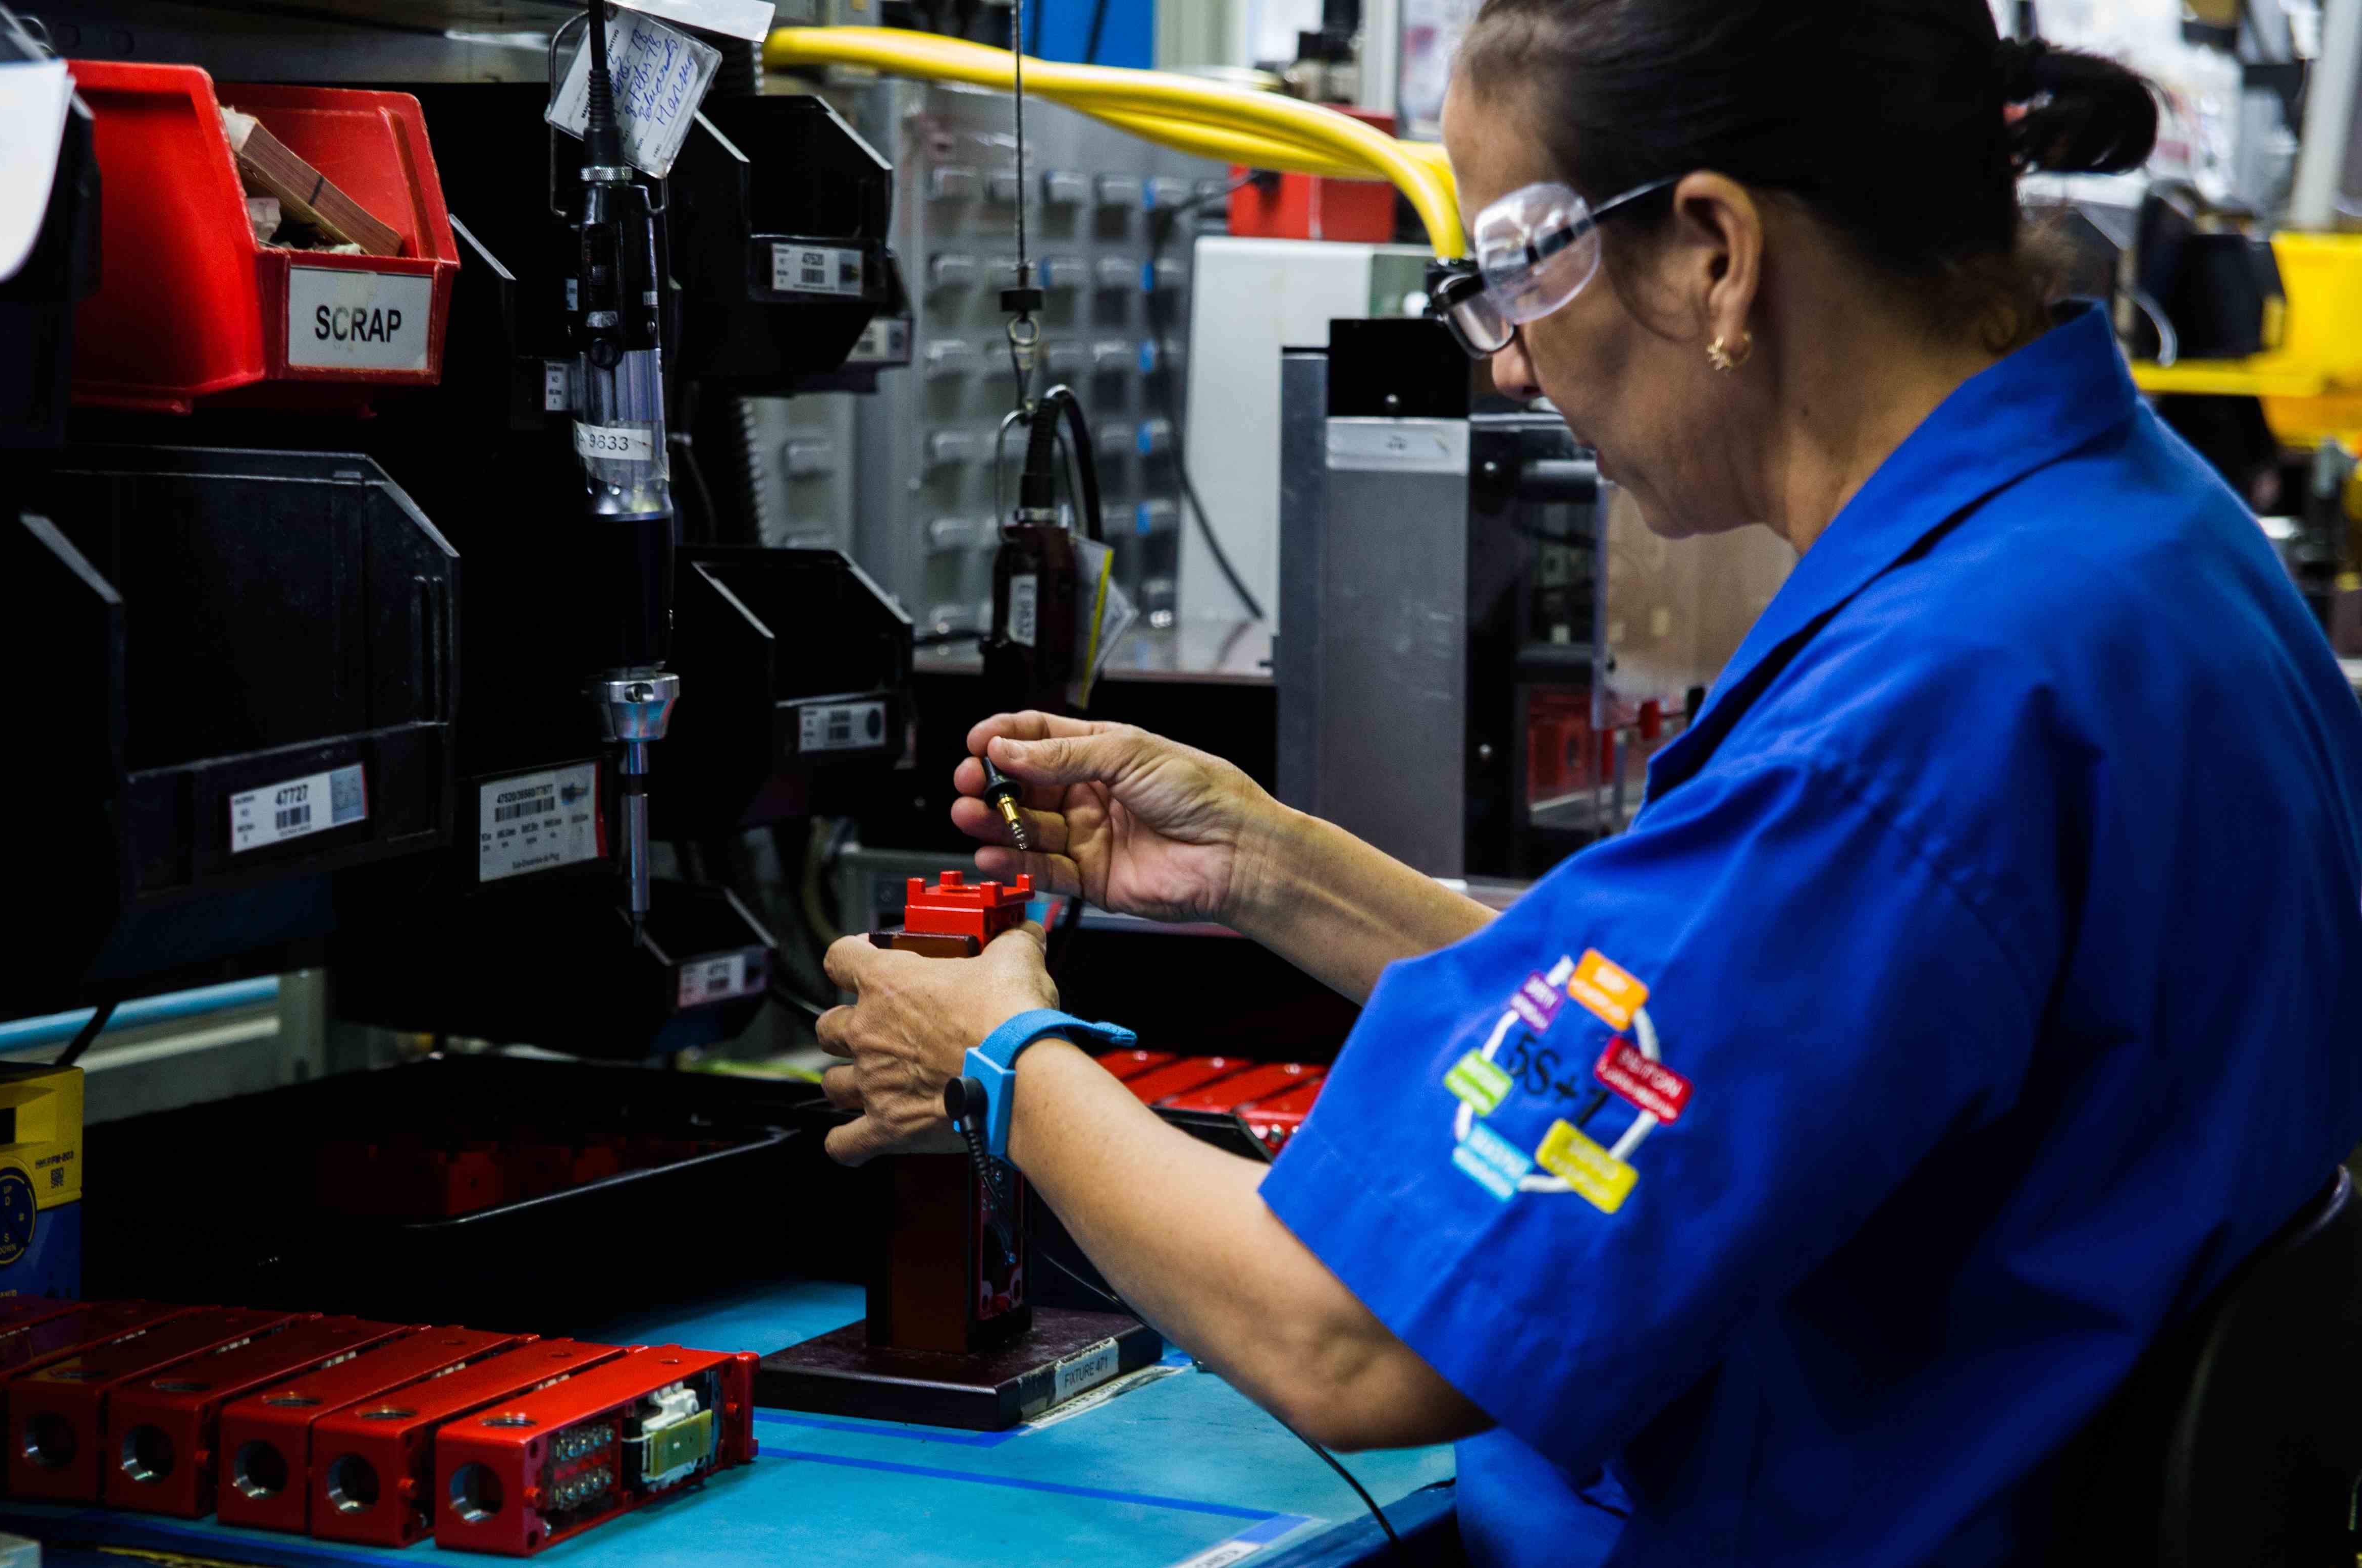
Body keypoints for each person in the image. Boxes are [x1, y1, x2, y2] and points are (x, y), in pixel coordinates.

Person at [812, 1, 2362, 1563]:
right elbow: (1712, 1039)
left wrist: (996, 1063)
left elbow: (1348, 1344)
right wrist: (1266, 864)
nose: (1509, 353)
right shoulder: (2150, 552)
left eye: (1518, 270)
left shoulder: (1914, 729)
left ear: (1714, 251)